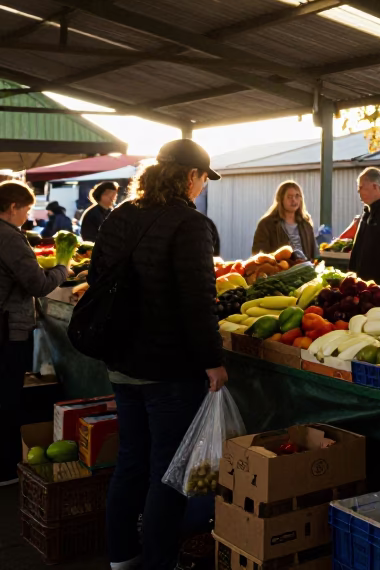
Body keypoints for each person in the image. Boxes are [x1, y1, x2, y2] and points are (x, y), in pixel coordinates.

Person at [87, 139, 227, 570]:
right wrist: (213, 360)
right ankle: (159, 563)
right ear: (190, 177)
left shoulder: (119, 216)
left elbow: (96, 279)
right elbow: (198, 300)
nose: (202, 187)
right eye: (203, 178)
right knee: (167, 473)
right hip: (168, 369)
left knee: (130, 462)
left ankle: (122, 557)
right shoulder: (190, 224)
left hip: (122, 363)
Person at [0, 180, 68, 485]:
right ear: (13, 207)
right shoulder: (9, 238)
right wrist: (63, 268)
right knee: (7, 399)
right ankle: (4, 469)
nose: (27, 216)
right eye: (26, 209)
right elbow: (38, 284)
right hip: (7, 332)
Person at [251, 181, 316, 261]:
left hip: (306, 271)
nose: (294, 200)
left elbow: (315, 255)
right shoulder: (266, 224)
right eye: (289, 197)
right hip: (279, 271)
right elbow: (258, 255)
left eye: (297, 196)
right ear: (281, 199)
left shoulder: (306, 225)